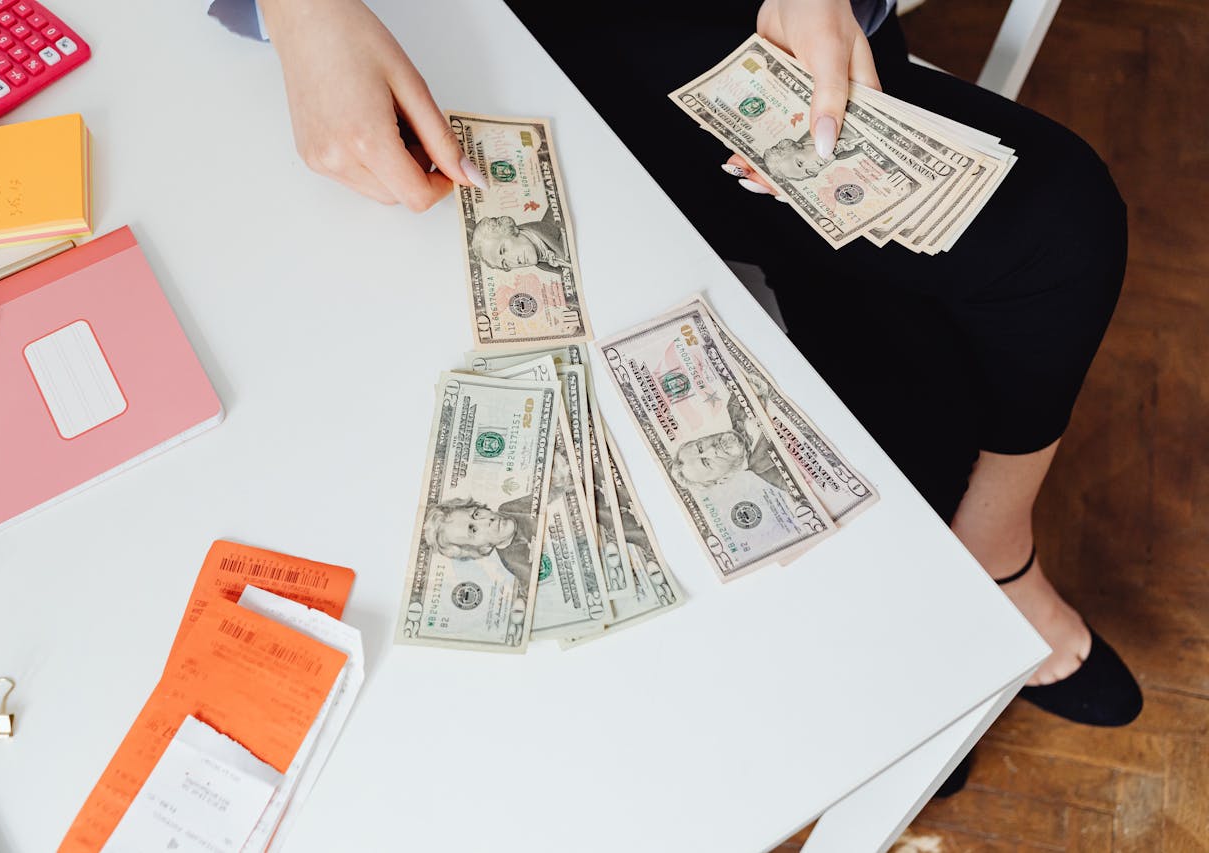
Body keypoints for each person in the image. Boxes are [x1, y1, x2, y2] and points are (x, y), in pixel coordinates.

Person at [212, 0, 1143, 778]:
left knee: (1049, 230)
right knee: (493, 386)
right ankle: (870, 643)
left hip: (694, 23)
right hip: (427, 31)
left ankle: (989, 553)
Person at [422, 496, 538, 589]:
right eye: (474, 530)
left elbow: (549, 494)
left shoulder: (508, 509)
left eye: (476, 514)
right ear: (483, 548)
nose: (487, 520)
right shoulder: (512, 560)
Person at [470, 212, 571, 274]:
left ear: (509, 229)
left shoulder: (558, 215)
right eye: (505, 264)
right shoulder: (545, 265)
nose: (514, 261)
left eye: (503, 250)